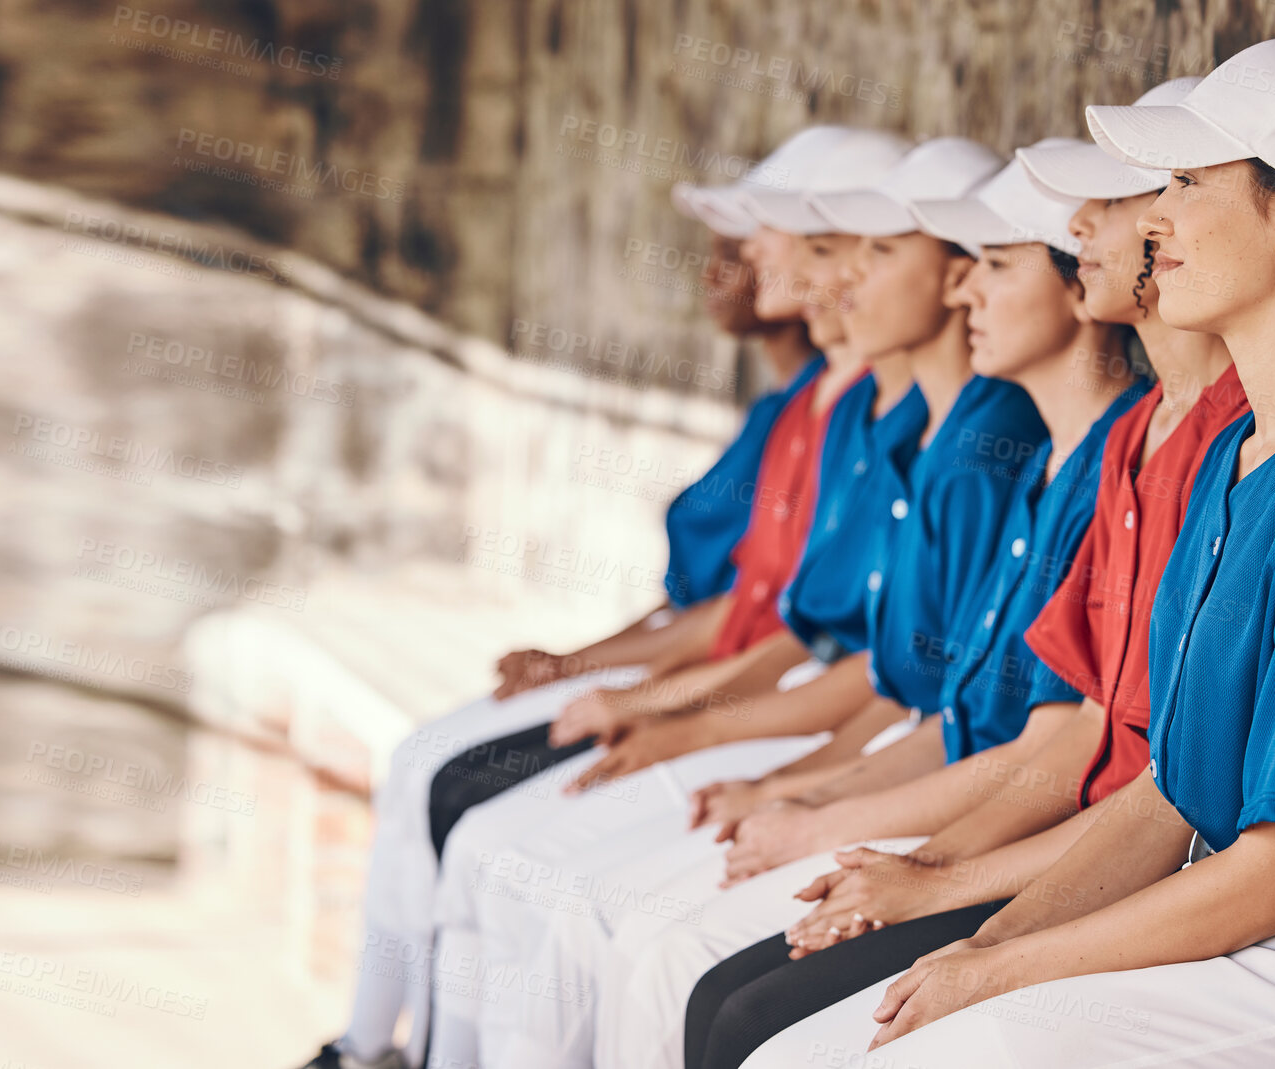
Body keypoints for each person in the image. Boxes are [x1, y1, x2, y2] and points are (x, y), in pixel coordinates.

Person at [744, 39, 1275, 1068]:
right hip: (1246, 917)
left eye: (1188, 184)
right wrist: (979, 941)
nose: (1152, 218)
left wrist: (988, 972)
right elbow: (1168, 789)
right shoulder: (1236, 458)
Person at [297, 127, 850, 1069]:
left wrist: (649, 702)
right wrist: (592, 668)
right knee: (439, 780)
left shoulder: (873, 417)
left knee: (521, 862)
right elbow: (726, 602)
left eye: (750, 246)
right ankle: (369, 1045)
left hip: (786, 706)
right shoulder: (800, 408)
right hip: (727, 678)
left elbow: (801, 631)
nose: (728, 269)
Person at [603, 142, 1155, 1069]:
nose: (965, 294)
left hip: (1041, 838)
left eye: (993, 264)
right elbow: (935, 701)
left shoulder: (1043, 449)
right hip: (970, 807)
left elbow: (1058, 752)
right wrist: (807, 792)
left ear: (1078, 285)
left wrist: (908, 859)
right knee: (670, 948)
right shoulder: (1034, 456)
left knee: (704, 981)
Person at [418, 127, 929, 1068]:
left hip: (848, 739)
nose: (799, 272)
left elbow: (888, 678)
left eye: (831, 248)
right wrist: (620, 686)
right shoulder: (840, 410)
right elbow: (784, 624)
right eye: (800, 246)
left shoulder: (951, 434)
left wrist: (764, 767)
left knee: (595, 912)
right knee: (477, 817)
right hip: (807, 718)